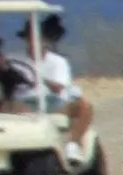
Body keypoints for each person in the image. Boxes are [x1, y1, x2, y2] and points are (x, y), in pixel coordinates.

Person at [28, 16, 93, 150]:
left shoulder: (58, 62)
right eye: (30, 39)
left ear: (44, 41)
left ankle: (73, 145)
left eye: (37, 39)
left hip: (51, 101)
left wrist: (39, 78)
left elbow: (58, 88)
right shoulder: (17, 61)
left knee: (84, 107)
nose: (33, 43)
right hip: (24, 102)